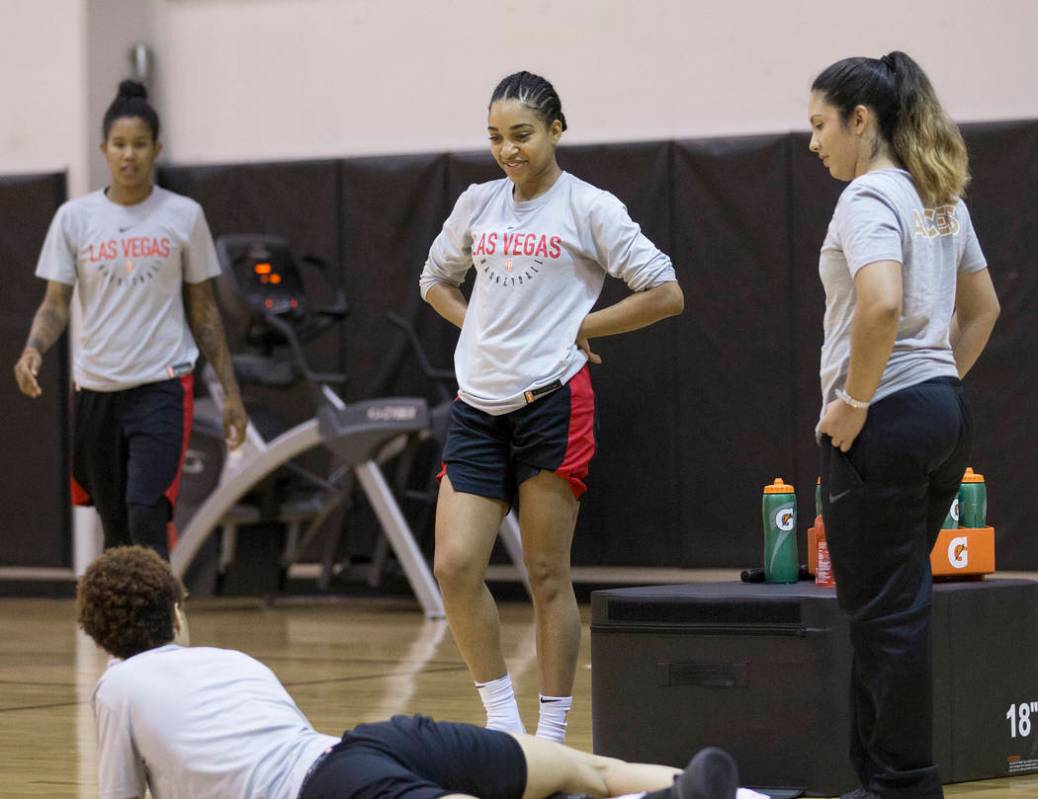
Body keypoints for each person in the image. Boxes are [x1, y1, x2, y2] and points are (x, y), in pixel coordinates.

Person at [418, 71, 684, 743]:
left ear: (557, 130)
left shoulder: (589, 207)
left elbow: (665, 291)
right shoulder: (477, 204)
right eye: (496, 138)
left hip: (553, 403)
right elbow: (433, 281)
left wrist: (583, 328)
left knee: (544, 572)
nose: (509, 150)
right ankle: (502, 719)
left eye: (523, 135)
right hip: (478, 406)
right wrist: (475, 322)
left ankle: (553, 731)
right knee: (454, 564)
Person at [78, 546, 760, 799]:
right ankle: (688, 786)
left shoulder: (117, 686)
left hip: (330, 787)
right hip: (366, 744)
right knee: (572, 768)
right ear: (175, 612)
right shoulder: (229, 661)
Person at [808, 52, 1000, 799]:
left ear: (862, 120)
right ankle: (886, 779)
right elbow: (983, 311)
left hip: (883, 421)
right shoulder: (940, 195)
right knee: (895, 601)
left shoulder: (867, 197)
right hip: (943, 413)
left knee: (886, 614)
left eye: (821, 124)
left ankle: (903, 785)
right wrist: (935, 382)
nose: (814, 141)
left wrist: (856, 403)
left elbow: (880, 302)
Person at [12, 80, 246, 560]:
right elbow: (56, 303)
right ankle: (125, 633)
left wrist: (231, 395)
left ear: (155, 149)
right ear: (104, 149)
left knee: (146, 508)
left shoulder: (183, 215)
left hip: (161, 384)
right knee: (114, 522)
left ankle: (160, 621)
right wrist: (34, 348)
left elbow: (204, 311)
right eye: (119, 144)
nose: (129, 155)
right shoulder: (74, 219)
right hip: (96, 388)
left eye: (140, 144)